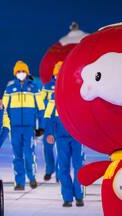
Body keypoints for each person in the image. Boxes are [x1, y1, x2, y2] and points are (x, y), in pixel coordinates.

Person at [44, 61, 84, 208]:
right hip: (61, 138)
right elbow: (48, 118)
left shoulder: (77, 95)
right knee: (63, 168)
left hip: (76, 137)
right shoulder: (54, 98)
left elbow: (84, 116)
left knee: (79, 167)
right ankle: (67, 197)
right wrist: (49, 133)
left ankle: (79, 196)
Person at [3, 61, 45, 191]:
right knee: (17, 155)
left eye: (23, 71)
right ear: (15, 73)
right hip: (15, 128)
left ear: (27, 73)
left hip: (29, 128)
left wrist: (40, 127)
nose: (21, 74)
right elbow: (4, 110)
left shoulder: (33, 88)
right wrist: (5, 126)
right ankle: (19, 182)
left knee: (28, 153)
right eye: (18, 71)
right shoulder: (10, 89)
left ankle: (31, 178)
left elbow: (41, 108)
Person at [41, 66, 57, 181]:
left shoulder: (67, 85)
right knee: (48, 147)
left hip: (62, 120)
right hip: (49, 120)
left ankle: (60, 172)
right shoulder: (47, 87)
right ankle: (49, 170)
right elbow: (41, 103)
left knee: (61, 148)